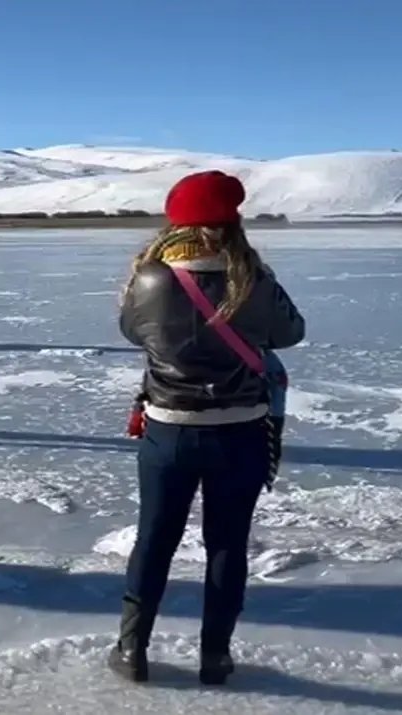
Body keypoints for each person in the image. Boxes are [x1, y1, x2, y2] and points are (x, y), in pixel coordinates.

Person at [111, 170, 306, 685]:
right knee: (227, 544)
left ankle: (132, 650)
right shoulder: (253, 280)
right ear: (232, 223)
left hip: (168, 431)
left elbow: (131, 331)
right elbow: (292, 332)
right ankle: (215, 656)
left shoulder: (150, 278)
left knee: (154, 539)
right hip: (240, 432)